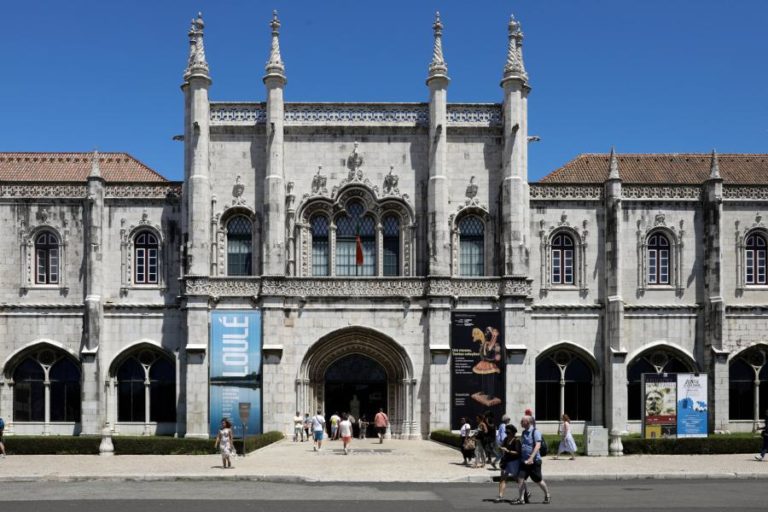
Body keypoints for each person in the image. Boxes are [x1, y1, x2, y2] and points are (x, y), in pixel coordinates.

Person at [516, 414, 551, 505]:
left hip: (534, 461)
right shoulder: (524, 432)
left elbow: (538, 445)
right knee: (520, 478)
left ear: (527, 422)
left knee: (538, 480)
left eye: (522, 421)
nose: (521, 423)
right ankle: (521, 499)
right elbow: (524, 445)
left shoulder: (535, 432)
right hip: (524, 461)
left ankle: (547, 495)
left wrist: (531, 458)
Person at [494, 424, 521, 503]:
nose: (507, 434)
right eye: (506, 432)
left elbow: (518, 452)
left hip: (514, 462)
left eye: (508, 432)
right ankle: (500, 496)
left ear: (513, 433)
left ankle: (525, 493)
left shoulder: (517, 440)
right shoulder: (505, 439)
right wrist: (500, 448)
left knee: (517, 479)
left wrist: (508, 451)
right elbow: (502, 447)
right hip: (506, 461)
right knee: (502, 479)